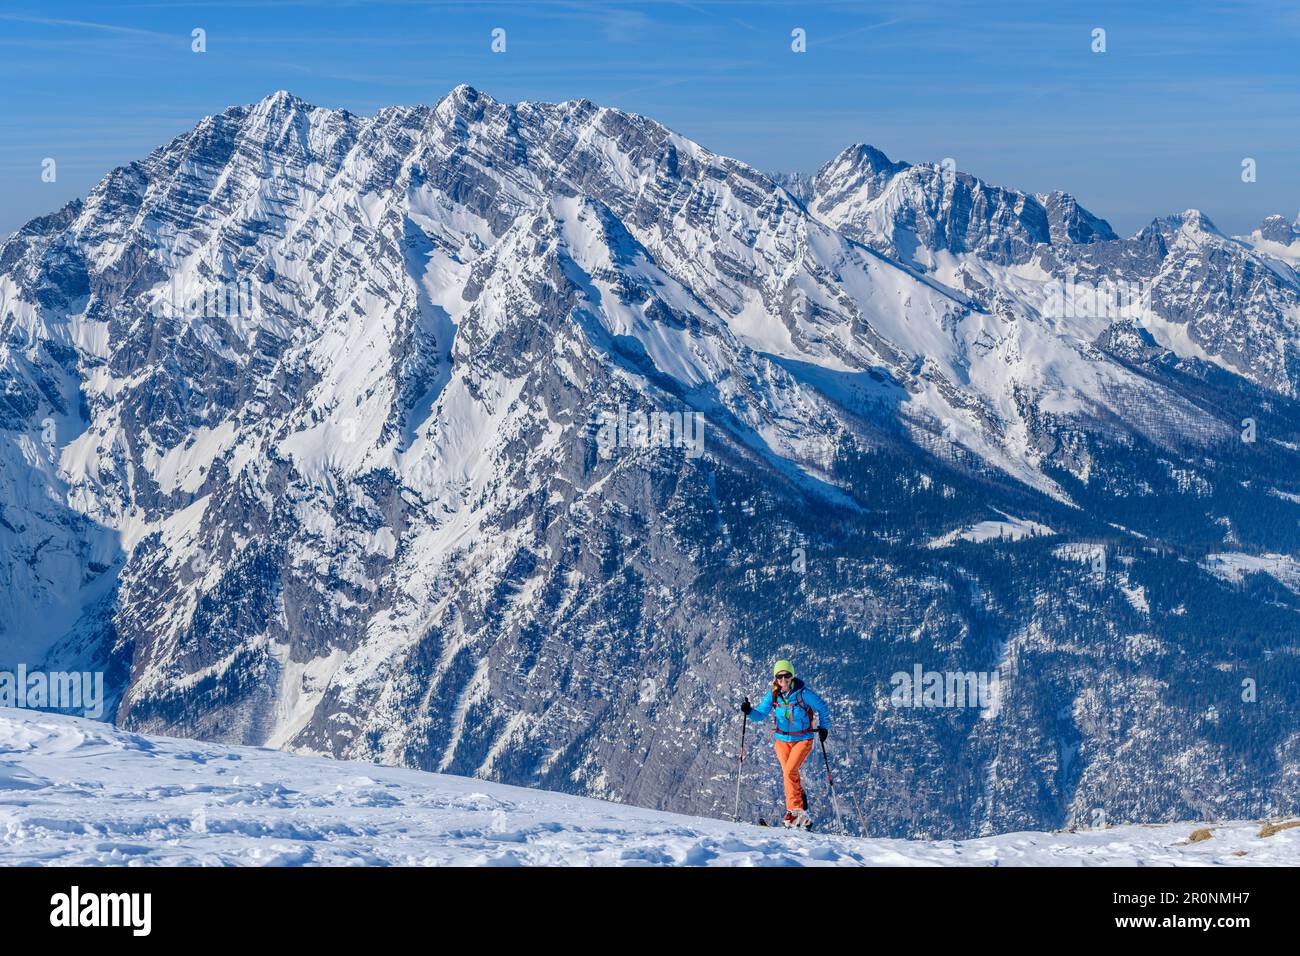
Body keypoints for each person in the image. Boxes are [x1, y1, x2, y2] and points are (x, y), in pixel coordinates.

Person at [741, 659, 830, 829]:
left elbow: (822, 707)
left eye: (786, 676)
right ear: (776, 678)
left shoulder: (803, 694)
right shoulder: (774, 695)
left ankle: (795, 812)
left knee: (789, 771)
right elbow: (760, 714)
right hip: (781, 741)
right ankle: (800, 803)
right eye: (779, 677)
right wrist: (749, 711)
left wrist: (824, 727)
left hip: (803, 739)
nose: (783, 680)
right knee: (789, 773)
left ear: (792, 676)